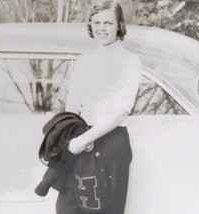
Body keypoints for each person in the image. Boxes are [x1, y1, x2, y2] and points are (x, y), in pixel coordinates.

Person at [56, 1, 143, 213]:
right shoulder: (84, 60)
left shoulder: (129, 61)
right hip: (79, 140)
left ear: (119, 25)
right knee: (68, 207)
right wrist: (71, 137)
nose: (101, 28)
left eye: (108, 23)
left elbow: (122, 110)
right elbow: (73, 105)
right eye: (96, 22)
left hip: (110, 143)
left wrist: (85, 139)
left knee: (102, 207)